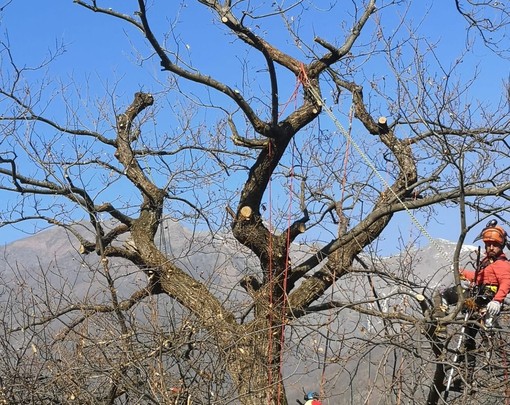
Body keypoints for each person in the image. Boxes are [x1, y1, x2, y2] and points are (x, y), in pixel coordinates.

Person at [434, 221, 510, 391]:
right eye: (488, 244)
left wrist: (497, 300)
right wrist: (460, 272)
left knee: (442, 294)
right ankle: (464, 378)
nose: (490, 247)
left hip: (484, 300)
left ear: (501, 245)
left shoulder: (503, 265)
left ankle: (441, 324)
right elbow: (479, 277)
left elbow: (506, 283)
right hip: (478, 297)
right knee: (468, 339)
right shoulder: (486, 263)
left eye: (494, 244)